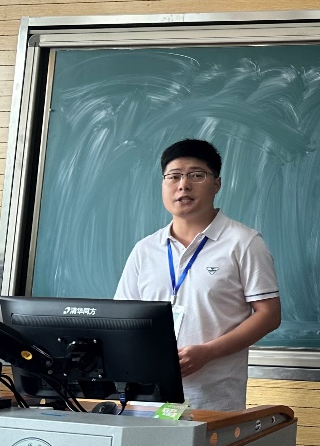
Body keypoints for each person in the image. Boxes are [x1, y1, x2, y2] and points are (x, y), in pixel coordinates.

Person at [115, 139, 281, 411]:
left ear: (217, 184)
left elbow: (269, 315)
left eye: (196, 175)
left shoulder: (243, 243)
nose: (183, 185)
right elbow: (123, 317)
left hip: (213, 400)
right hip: (145, 399)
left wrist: (208, 352)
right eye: (174, 176)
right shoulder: (145, 249)